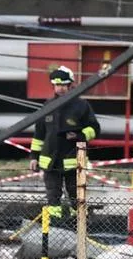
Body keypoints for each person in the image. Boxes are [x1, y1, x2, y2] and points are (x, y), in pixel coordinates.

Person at [29, 66, 99, 222]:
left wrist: (79, 135)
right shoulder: (48, 106)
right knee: (53, 195)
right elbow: (39, 135)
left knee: (76, 193)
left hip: (73, 160)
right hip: (50, 161)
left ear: (70, 85)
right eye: (57, 85)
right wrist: (34, 156)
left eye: (63, 85)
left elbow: (95, 128)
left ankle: (79, 223)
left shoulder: (81, 106)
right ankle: (55, 224)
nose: (60, 88)